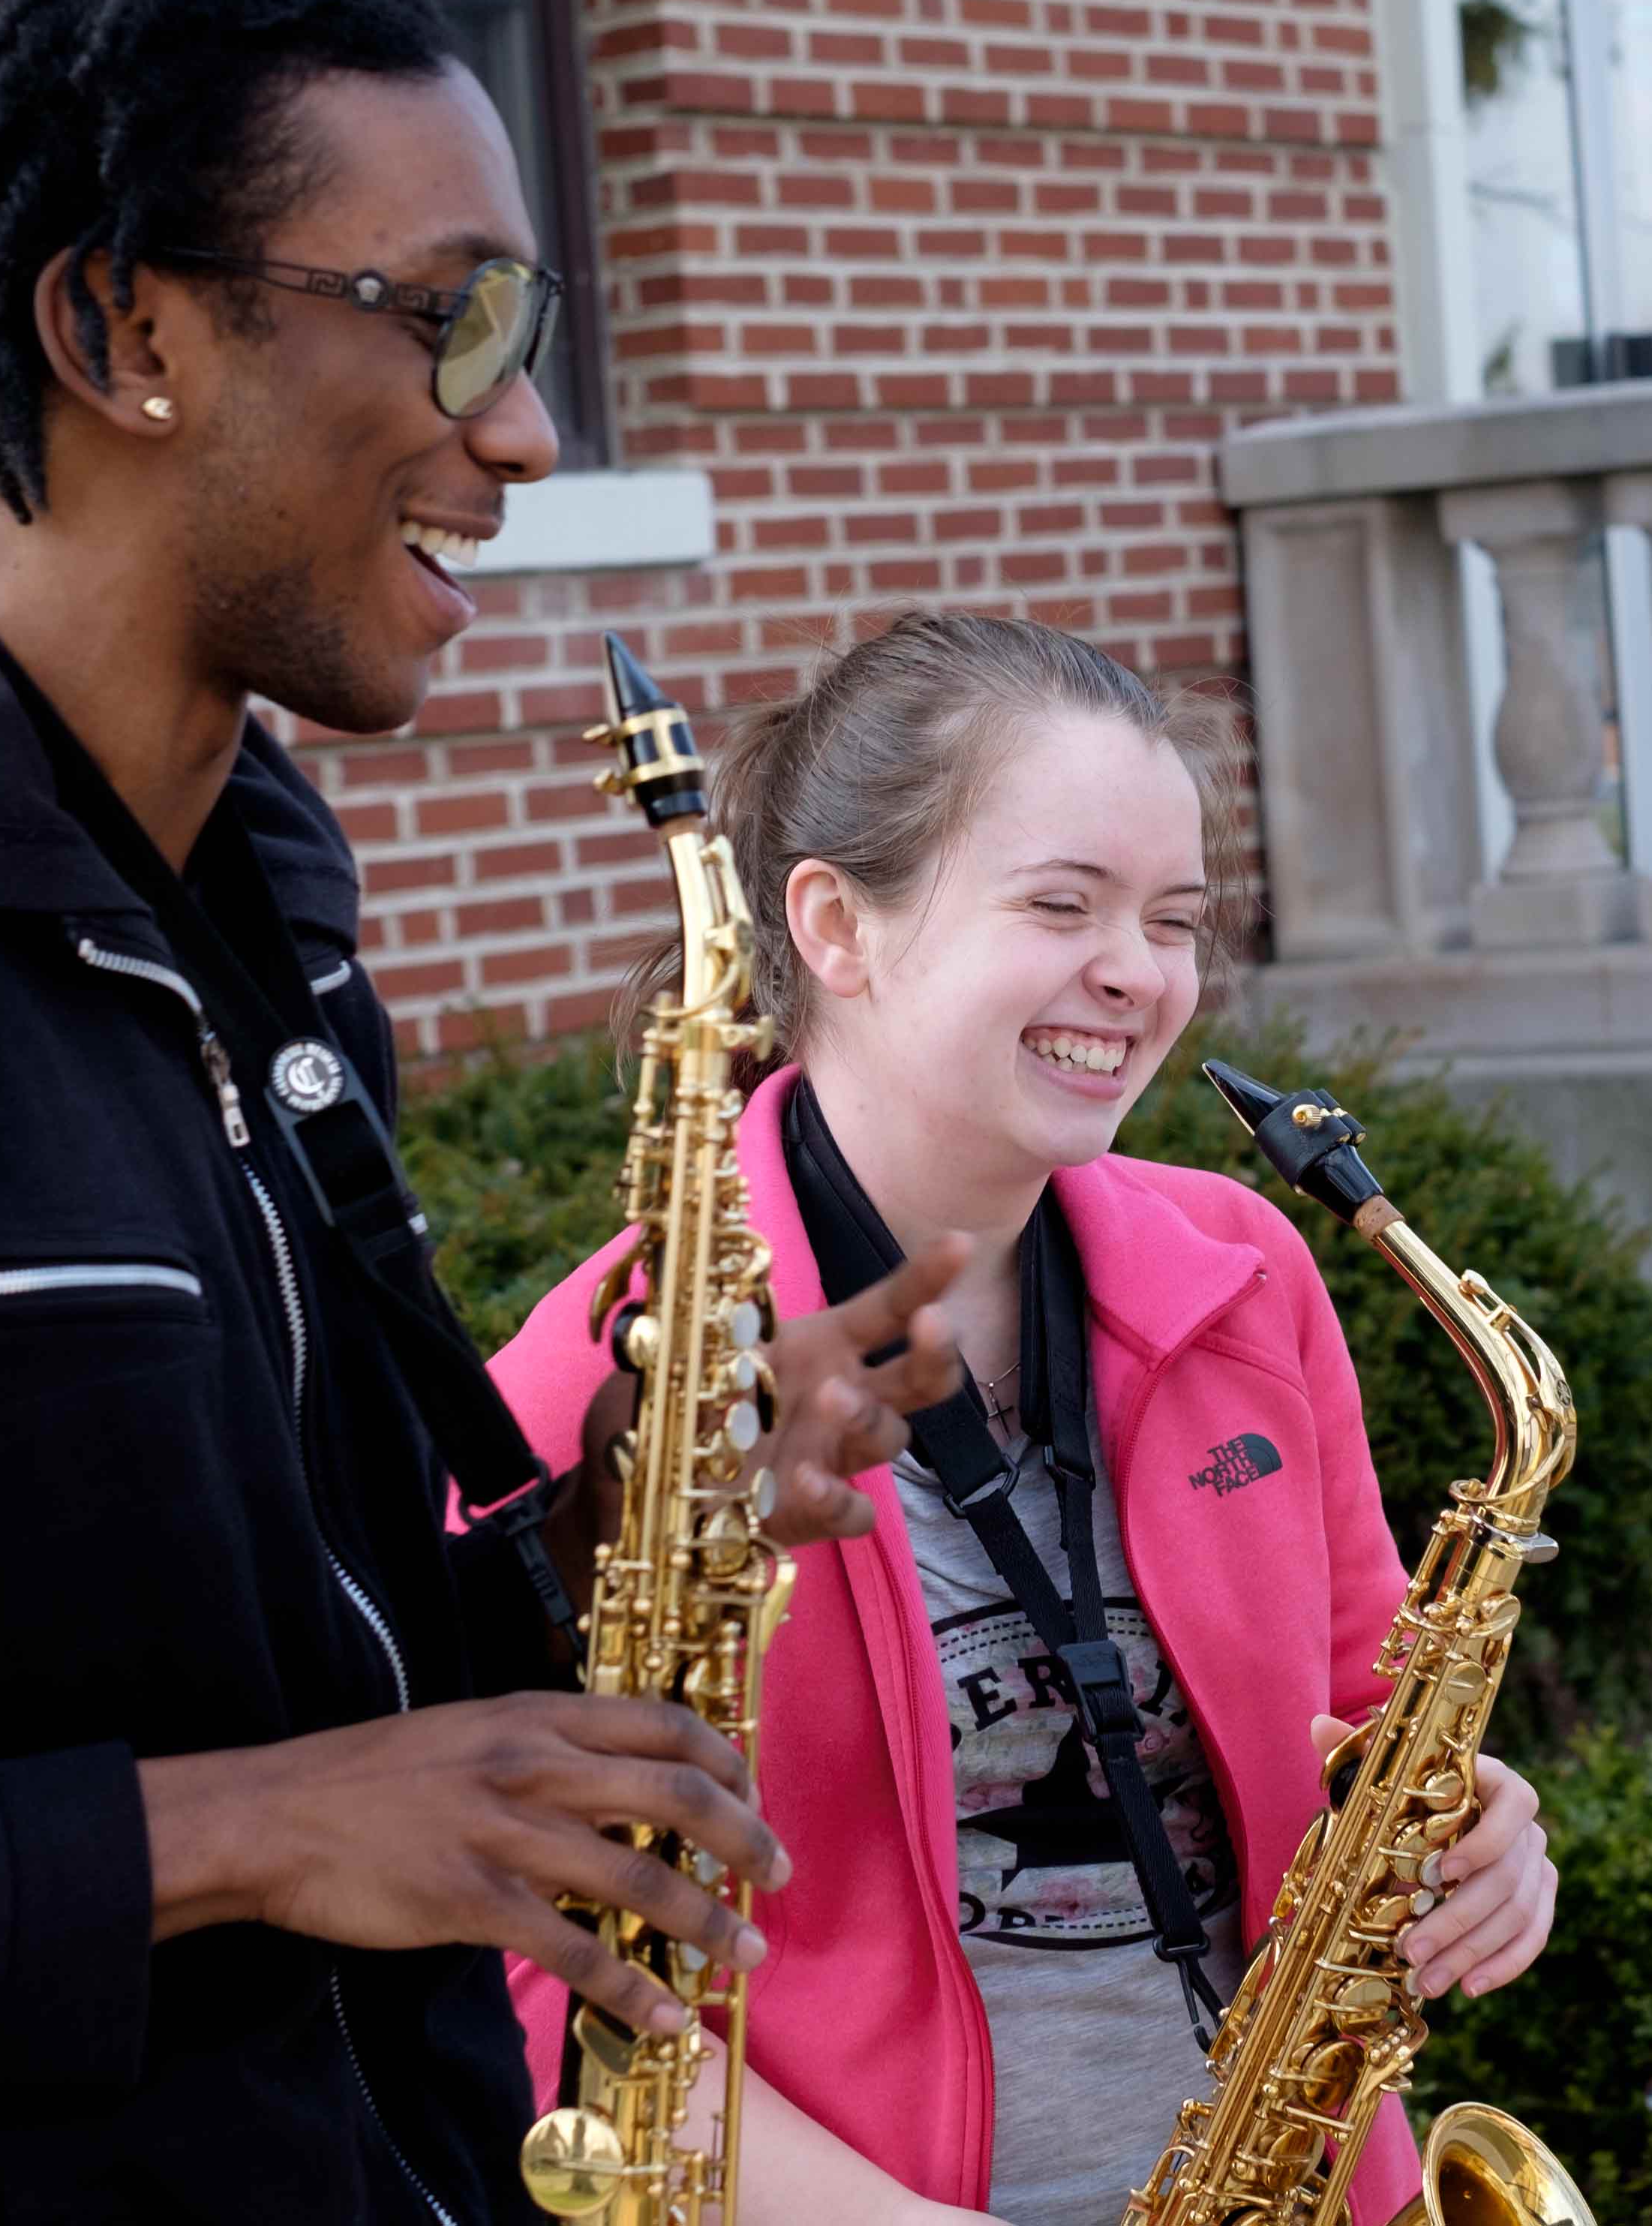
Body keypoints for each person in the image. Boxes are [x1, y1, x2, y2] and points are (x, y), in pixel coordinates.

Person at [0, 0, 968, 2223]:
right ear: (123, 330)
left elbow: (288, 1619)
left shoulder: (265, 915)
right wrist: (241, 1829)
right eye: (453, 320)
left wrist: (618, 1526)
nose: (519, 430)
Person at [491, 610, 1560, 2226]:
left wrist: (1477, 1842)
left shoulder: (1246, 1269)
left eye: (1174, 919)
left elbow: (1356, 1716)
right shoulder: (600, 1385)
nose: (1137, 974)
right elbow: (527, 1970)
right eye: (1061, 904)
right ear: (836, 927)